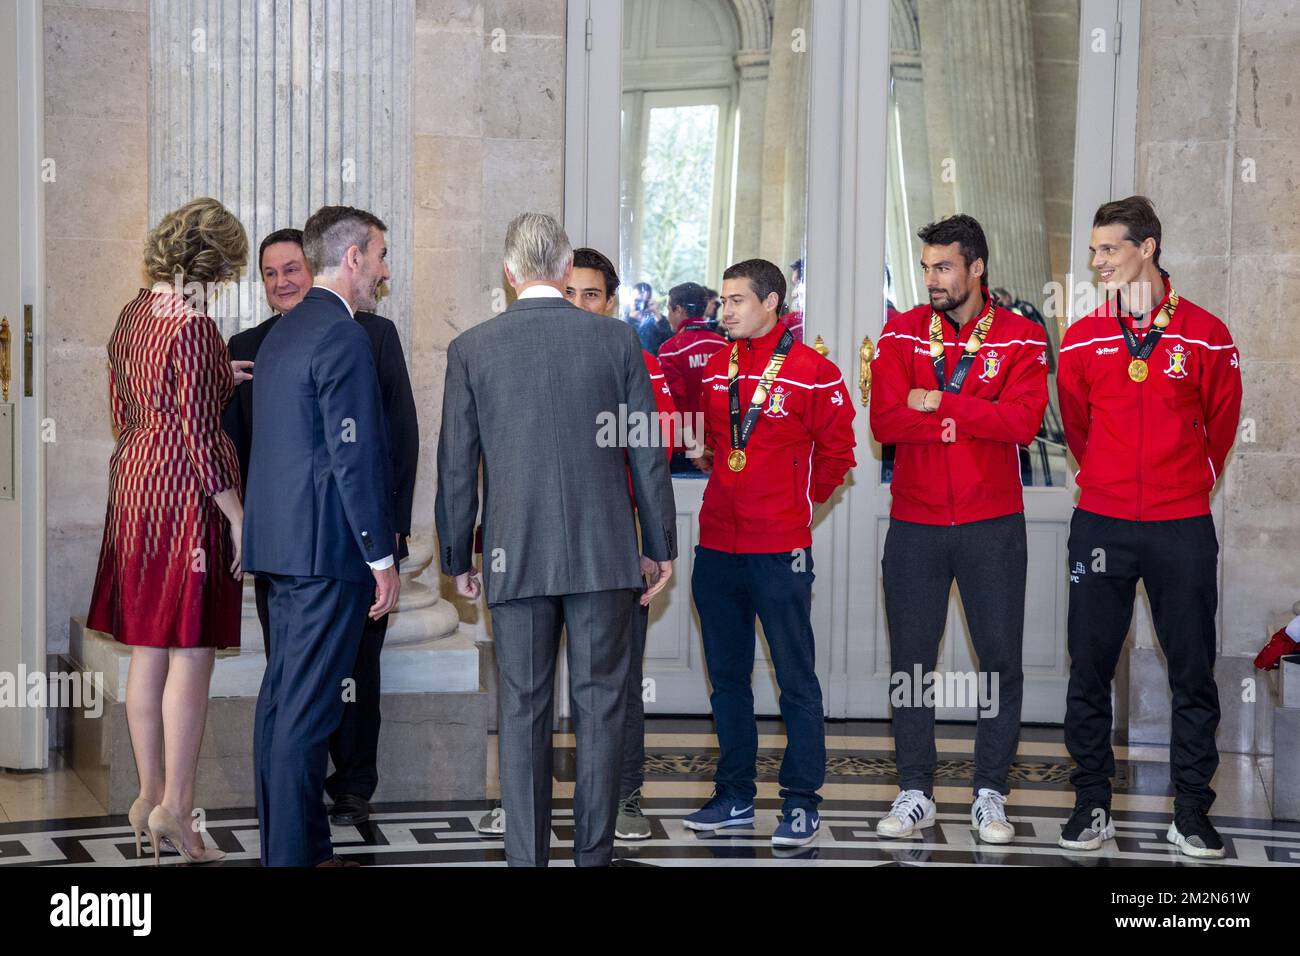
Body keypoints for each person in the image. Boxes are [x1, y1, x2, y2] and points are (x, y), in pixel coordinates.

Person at [437, 213, 676, 867]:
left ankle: (526, 860)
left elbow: (457, 466)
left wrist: (458, 555)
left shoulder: (472, 349)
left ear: (510, 275)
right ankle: (592, 857)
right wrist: (660, 545)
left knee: (522, 709)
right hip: (605, 555)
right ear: (566, 270)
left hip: (515, 553)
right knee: (600, 709)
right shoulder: (617, 342)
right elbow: (645, 452)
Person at [1056, 196, 1242, 859]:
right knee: (1089, 670)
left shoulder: (1205, 333)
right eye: (1095, 249)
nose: (1098, 260)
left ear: (1149, 247)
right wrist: (1108, 479)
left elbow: (1220, 427)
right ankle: (1091, 806)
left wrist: (1184, 482)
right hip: (1101, 523)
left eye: (1110, 248)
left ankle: (1190, 813)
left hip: (1180, 525)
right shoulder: (1082, 338)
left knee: (1192, 672)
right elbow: (1077, 429)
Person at [222, 227, 419, 827]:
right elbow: (350, 455)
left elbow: (377, 440)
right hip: (324, 554)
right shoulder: (339, 333)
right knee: (304, 714)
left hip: (282, 550)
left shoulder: (287, 334)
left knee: (284, 705)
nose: (384, 271)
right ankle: (293, 853)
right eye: (381, 257)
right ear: (354, 257)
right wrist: (378, 554)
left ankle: (299, 843)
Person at [869, 214, 1049, 844]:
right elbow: (887, 423)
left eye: (942, 266)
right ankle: (915, 790)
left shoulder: (1023, 337)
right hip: (915, 524)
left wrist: (939, 401)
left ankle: (990, 794)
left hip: (991, 523)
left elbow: (1022, 424)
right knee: (911, 662)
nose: (931, 279)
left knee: (999, 662)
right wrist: (977, 414)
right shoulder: (901, 334)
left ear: (977, 267)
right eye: (925, 267)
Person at [87, 196, 247, 864]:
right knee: (192, 651)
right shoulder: (195, 322)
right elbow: (197, 433)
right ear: (209, 264)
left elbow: (133, 406)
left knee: (149, 648)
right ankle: (177, 808)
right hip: (186, 493)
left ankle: (149, 796)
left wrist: (218, 379)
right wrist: (238, 516)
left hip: (134, 485)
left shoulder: (131, 312)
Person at [681, 258, 856, 848]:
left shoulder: (814, 372)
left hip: (780, 550)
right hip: (717, 548)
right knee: (727, 678)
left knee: (796, 679)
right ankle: (733, 795)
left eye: (736, 301)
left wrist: (793, 505)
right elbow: (709, 440)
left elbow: (838, 456)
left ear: (772, 302)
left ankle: (802, 802)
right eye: (722, 300)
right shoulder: (712, 368)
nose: (723, 310)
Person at [657, 282, 728, 472]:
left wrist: (694, 447)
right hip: (721, 447)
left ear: (678, 310)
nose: (668, 316)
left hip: (685, 448)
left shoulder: (671, 349)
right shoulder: (724, 346)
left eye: (669, 309)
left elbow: (675, 404)